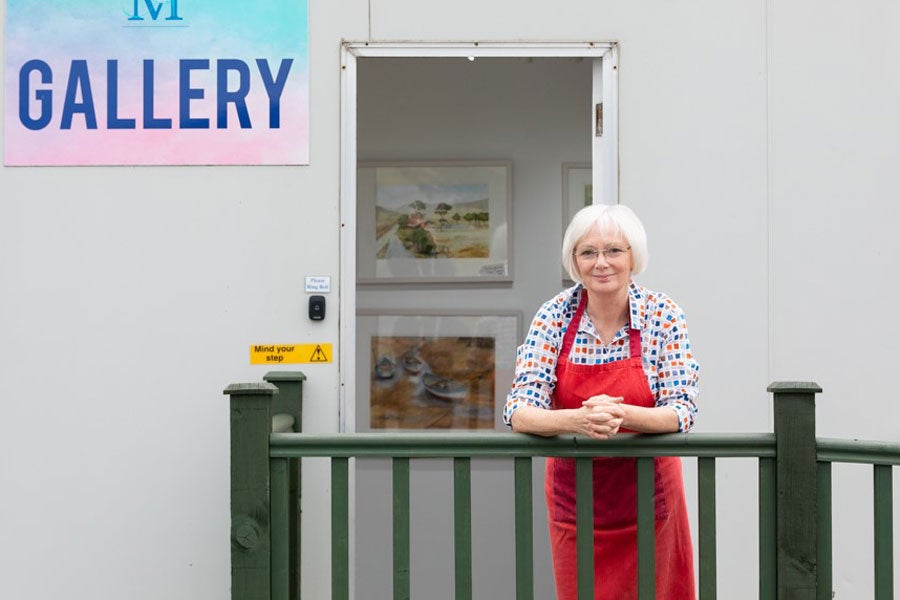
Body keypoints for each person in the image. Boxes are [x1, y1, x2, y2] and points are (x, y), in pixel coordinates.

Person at [503, 204, 699, 600]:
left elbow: (682, 410)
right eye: (588, 252)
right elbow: (519, 410)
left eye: (614, 250)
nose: (601, 263)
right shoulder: (553, 316)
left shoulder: (663, 314)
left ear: (633, 258)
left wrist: (621, 414)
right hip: (577, 503)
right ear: (574, 261)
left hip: (651, 500)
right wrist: (578, 421)